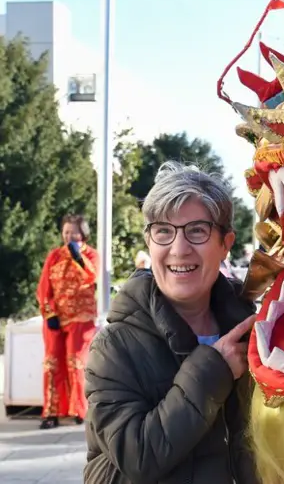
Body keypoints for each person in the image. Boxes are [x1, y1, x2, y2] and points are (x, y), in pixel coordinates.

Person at [83, 162, 258, 483]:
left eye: (197, 230)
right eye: (163, 231)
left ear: (226, 243)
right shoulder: (114, 346)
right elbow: (137, 456)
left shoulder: (256, 333)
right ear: (149, 242)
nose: (179, 249)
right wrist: (214, 370)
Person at [36, 214, 100, 430]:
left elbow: (92, 278)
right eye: (66, 232)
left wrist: (79, 259)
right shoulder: (54, 256)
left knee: (76, 363)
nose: (69, 236)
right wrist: (49, 313)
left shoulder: (91, 255)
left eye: (73, 232)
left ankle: (79, 411)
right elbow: (44, 288)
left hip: (81, 319)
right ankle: (50, 412)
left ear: (82, 233)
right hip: (55, 318)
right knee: (52, 364)